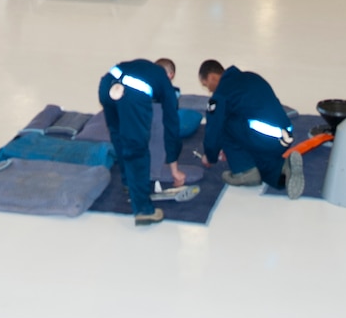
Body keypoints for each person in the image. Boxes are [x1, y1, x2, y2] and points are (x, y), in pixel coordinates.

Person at [98, 56, 198, 226]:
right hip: (131, 97)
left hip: (106, 85)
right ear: (171, 75)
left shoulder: (144, 67)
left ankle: (128, 183)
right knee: (137, 149)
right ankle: (143, 210)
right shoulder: (164, 83)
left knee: (119, 137)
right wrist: (174, 169)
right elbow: (171, 127)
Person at [197, 59, 305, 198]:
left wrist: (209, 156)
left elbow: (214, 129)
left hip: (263, 137)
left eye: (207, 85)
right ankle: (282, 171)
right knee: (263, 165)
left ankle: (245, 171)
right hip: (283, 135)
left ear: (212, 77)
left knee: (224, 121)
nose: (209, 91)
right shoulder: (251, 77)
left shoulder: (221, 93)